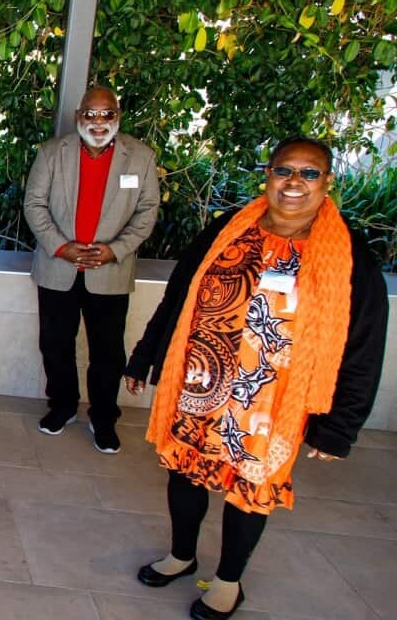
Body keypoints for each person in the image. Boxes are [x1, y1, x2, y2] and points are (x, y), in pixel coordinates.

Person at [124, 137, 387, 620]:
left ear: (327, 183)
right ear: (268, 175)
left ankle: (228, 582)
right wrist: (144, 357)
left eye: (309, 174)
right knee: (185, 470)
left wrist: (340, 425)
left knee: (250, 489)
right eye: (284, 171)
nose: (294, 183)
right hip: (201, 381)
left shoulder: (349, 257)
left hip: (272, 403)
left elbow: (365, 344)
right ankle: (182, 555)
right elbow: (181, 296)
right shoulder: (229, 229)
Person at [23, 86, 161, 453]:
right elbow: (34, 204)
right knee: (54, 344)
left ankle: (103, 418)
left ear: (118, 115)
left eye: (107, 115)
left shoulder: (141, 157)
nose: (98, 123)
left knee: (108, 353)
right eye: (91, 115)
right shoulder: (53, 153)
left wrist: (113, 251)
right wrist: (61, 247)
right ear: (78, 116)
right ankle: (63, 406)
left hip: (109, 272)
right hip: (58, 268)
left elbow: (147, 212)